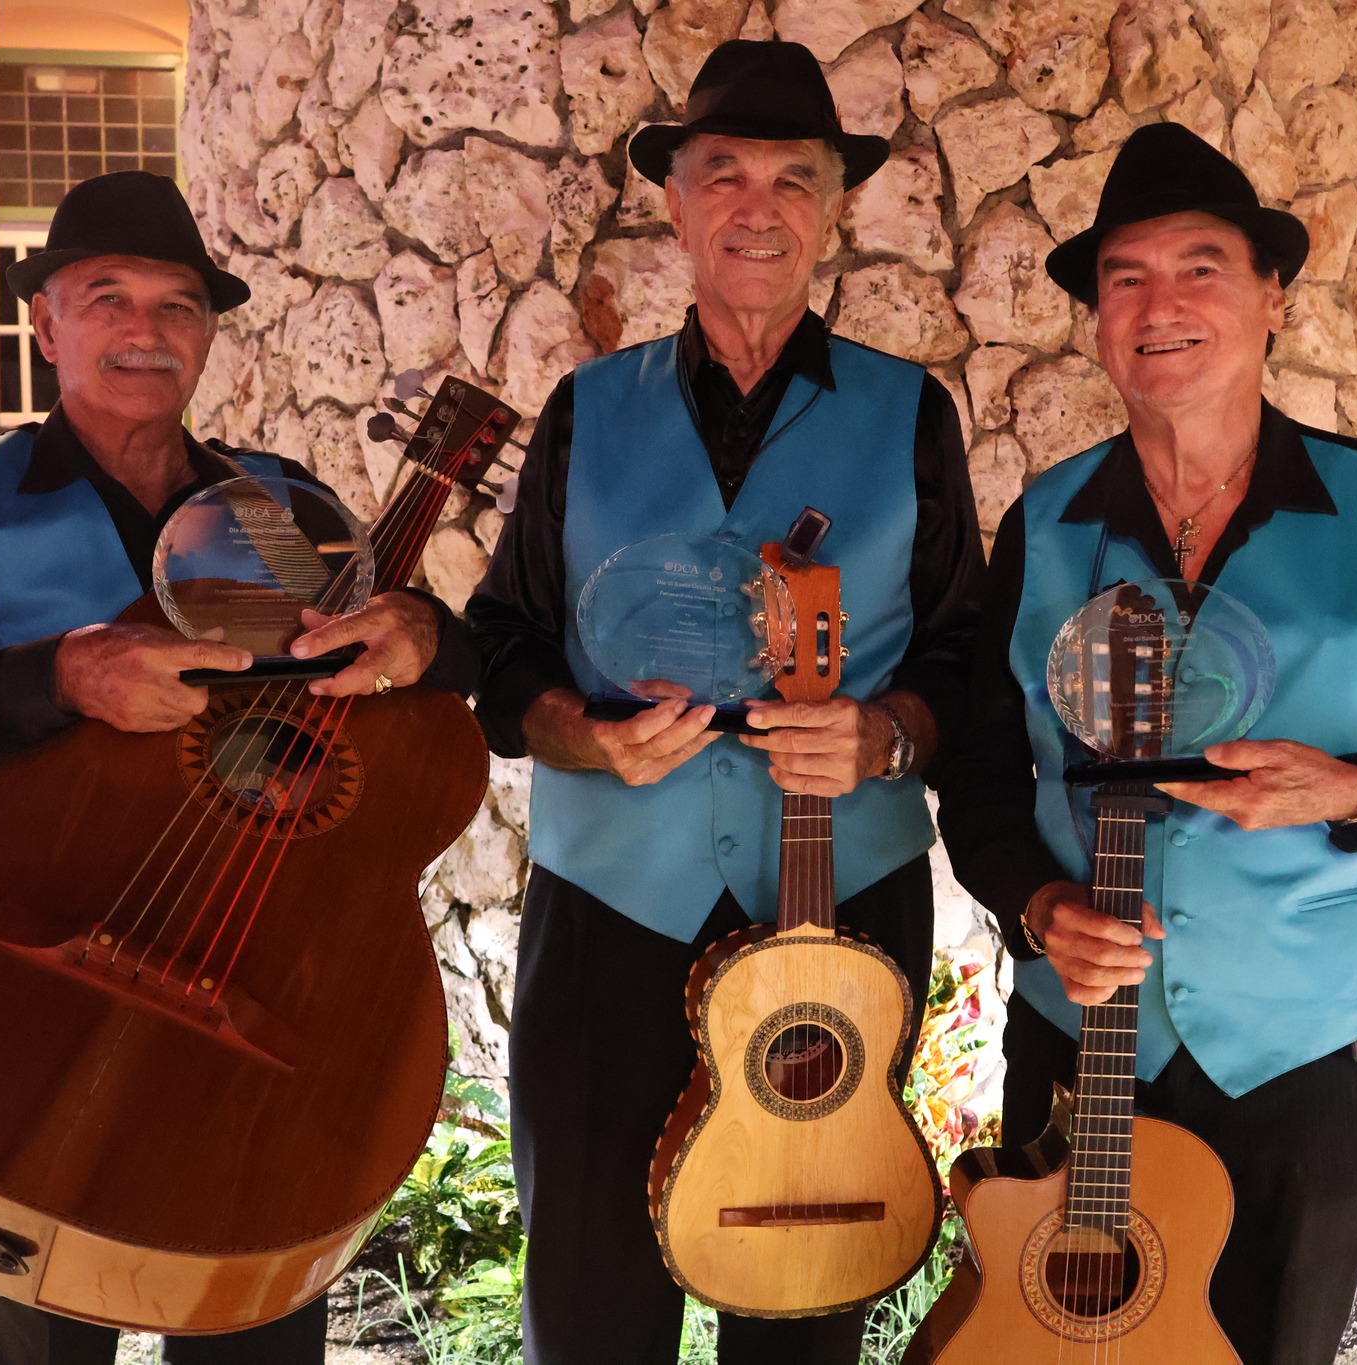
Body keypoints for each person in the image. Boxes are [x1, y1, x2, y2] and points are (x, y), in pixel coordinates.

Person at [936, 123, 1357, 1365]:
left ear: (1272, 296)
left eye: (1199, 268)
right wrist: (1038, 904)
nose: (1159, 305)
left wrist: (1353, 789)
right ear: (1098, 321)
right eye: (1124, 278)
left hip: (1301, 1055)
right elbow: (981, 769)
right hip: (1079, 1045)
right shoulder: (1044, 524)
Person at [0, 170, 475, 1365]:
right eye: (108, 298)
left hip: (253, 956)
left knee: (249, 1285)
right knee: (33, 1306)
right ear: (47, 325)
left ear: (207, 334)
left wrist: (426, 638)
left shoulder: (278, 507)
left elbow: (394, 685)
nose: (145, 329)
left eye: (177, 304)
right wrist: (58, 678)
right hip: (29, 961)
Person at [464, 38, 982, 1365]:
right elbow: (500, 648)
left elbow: (965, 660)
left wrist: (885, 736)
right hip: (610, 910)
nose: (759, 206)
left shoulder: (910, 415)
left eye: (793, 177)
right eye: (724, 174)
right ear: (677, 203)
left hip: (841, 915)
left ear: (835, 208)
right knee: (591, 1295)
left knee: (802, 1293)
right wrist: (583, 738)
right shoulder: (584, 411)